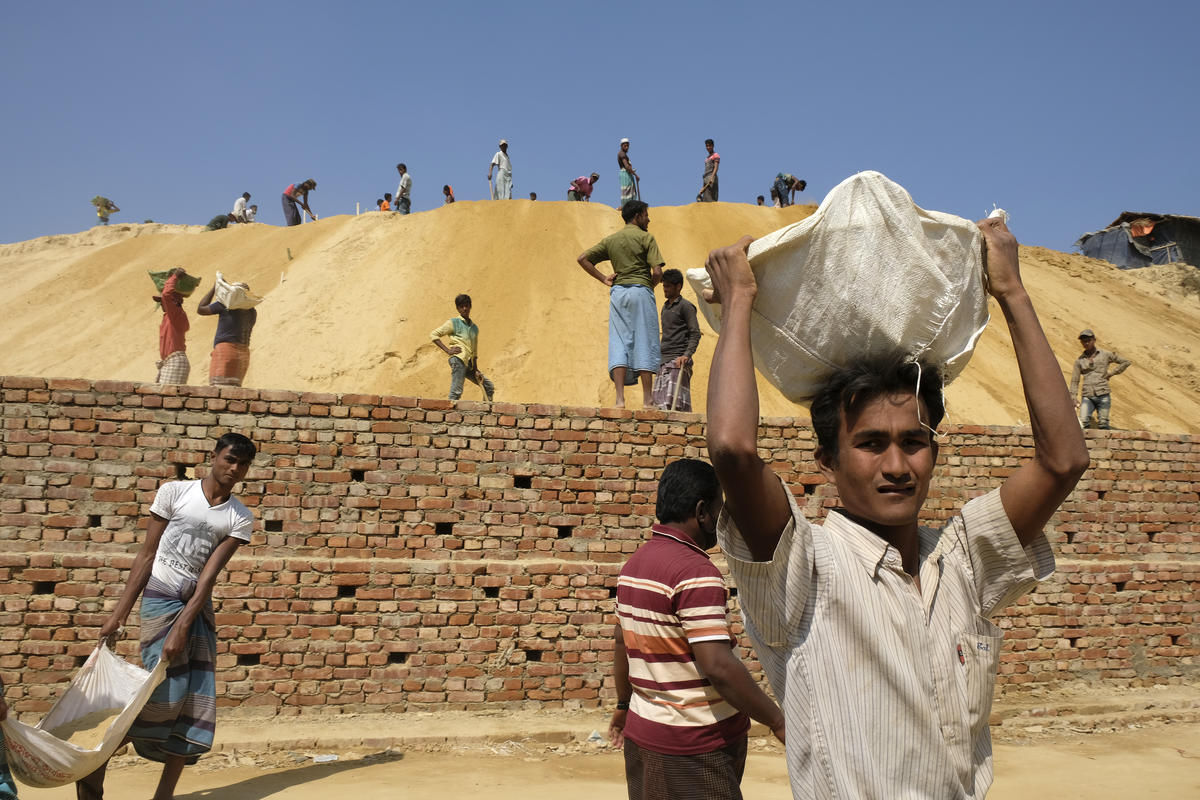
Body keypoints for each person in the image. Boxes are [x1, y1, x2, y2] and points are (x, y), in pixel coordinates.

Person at [702, 217, 1089, 798]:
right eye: (870, 443)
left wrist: (1011, 291)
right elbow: (733, 451)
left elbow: (1064, 460)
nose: (897, 466)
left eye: (914, 442)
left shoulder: (962, 561)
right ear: (827, 460)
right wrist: (739, 301)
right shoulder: (804, 568)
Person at [75, 433, 256, 800]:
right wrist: (118, 615)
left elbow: (207, 579)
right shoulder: (174, 493)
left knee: (193, 697)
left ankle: (164, 796)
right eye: (229, 459)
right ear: (214, 456)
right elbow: (146, 556)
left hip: (196, 609)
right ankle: (94, 765)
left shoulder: (239, 517)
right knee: (164, 693)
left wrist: (183, 626)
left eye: (243, 464)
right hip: (160, 599)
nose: (234, 469)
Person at [609, 458, 785, 800]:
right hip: (695, 746)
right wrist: (777, 721)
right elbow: (718, 666)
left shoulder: (634, 566)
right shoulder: (695, 572)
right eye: (720, 510)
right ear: (703, 512)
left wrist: (623, 705)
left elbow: (621, 642)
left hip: (644, 736)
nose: (722, 521)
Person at [577, 200, 665, 408]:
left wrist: (603, 278)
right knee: (644, 340)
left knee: (619, 341)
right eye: (646, 215)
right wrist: (650, 285)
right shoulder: (646, 237)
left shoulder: (612, 240)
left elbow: (582, 258)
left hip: (618, 293)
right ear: (637, 216)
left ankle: (619, 399)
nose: (649, 219)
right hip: (641, 291)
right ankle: (648, 400)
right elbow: (658, 272)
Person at [430, 294, 495, 402]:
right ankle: (450, 410)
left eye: (467, 306)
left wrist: (475, 369)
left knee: (488, 386)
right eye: (461, 306)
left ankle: (486, 409)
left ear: (470, 306)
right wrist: (448, 350)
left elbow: (474, 350)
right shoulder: (453, 322)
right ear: (458, 308)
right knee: (456, 391)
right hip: (458, 359)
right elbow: (433, 335)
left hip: (469, 364)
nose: (464, 308)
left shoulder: (474, 328)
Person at [651, 269, 701, 412]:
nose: (665, 289)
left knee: (675, 406)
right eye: (664, 286)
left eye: (668, 286)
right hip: (663, 361)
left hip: (678, 362)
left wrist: (686, 355)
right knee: (659, 407)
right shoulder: (665, 307)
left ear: (678, 286)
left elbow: (695, 333)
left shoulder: (686, 307)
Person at [1069, 329, 1132, 430]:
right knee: (1083, 423)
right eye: (1083, 341)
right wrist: (1073, 397)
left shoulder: (1105, 355)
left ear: (1094, 340)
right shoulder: (1079, 361)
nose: (1086, 343)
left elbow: (1125, 362)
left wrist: (1111, 373)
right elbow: (1075, 380)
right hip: (1087, 396)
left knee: (1103, 424)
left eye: (1088, 340)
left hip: (1103, 394)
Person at [196, 285, 257, 387]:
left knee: (218, 389)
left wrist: (214, 288)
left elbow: (201, 309)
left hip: (225, 351)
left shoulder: (226, 305)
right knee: (233, 390)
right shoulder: (252, 311)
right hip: (244, 355)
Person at [153, 267, 191, 385]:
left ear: (173, 301)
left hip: (174, 361)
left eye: (162, 302)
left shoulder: (176, 313)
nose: (161, 304)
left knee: (165, 393)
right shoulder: (171, 316)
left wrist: (175, 276)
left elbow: (166, 294)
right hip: (170, 362)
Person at [618, 138, 639, 207]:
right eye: (625, 146)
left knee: (630, 191)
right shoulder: (622, 154)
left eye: (628, 146)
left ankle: (629, 206)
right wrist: (635, 175)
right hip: (625, 174)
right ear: (621, 146)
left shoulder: (624, 154)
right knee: (627, 191)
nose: (627, 147)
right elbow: (627, 167)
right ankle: (625, 207)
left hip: (627, 173)